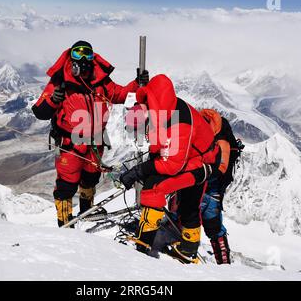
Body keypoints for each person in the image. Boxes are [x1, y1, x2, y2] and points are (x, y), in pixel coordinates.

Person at [32, 40, 149, 227]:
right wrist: (54, 100)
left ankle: (86, 212)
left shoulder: (100, 81)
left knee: (90, 178)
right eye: (78, 54)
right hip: (71, 142)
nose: (84, 58)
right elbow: (40, 112)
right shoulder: (60, 81)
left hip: (96, 141)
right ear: (71, 58)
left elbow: (119, 95)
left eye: (87, 54)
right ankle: (64, 222)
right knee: (66, 185)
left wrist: (137, 83)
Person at [120, 74, 220, 264]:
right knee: (189, 204)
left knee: (154, 187)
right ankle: (188, 249)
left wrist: (140, 171)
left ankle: (143, 243)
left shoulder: (178, 122)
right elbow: (162, 144)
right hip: (195, 158)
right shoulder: (164, 109)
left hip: (201, 164)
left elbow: (173, 165)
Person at [199, 109, 243, 264]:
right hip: (213, 189)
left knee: (191, 218)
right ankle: (223, 262)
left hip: (210, 187)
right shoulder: (218, 133)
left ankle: (223, 264)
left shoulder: (221, 141)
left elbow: (220, 169)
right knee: (214, 226)